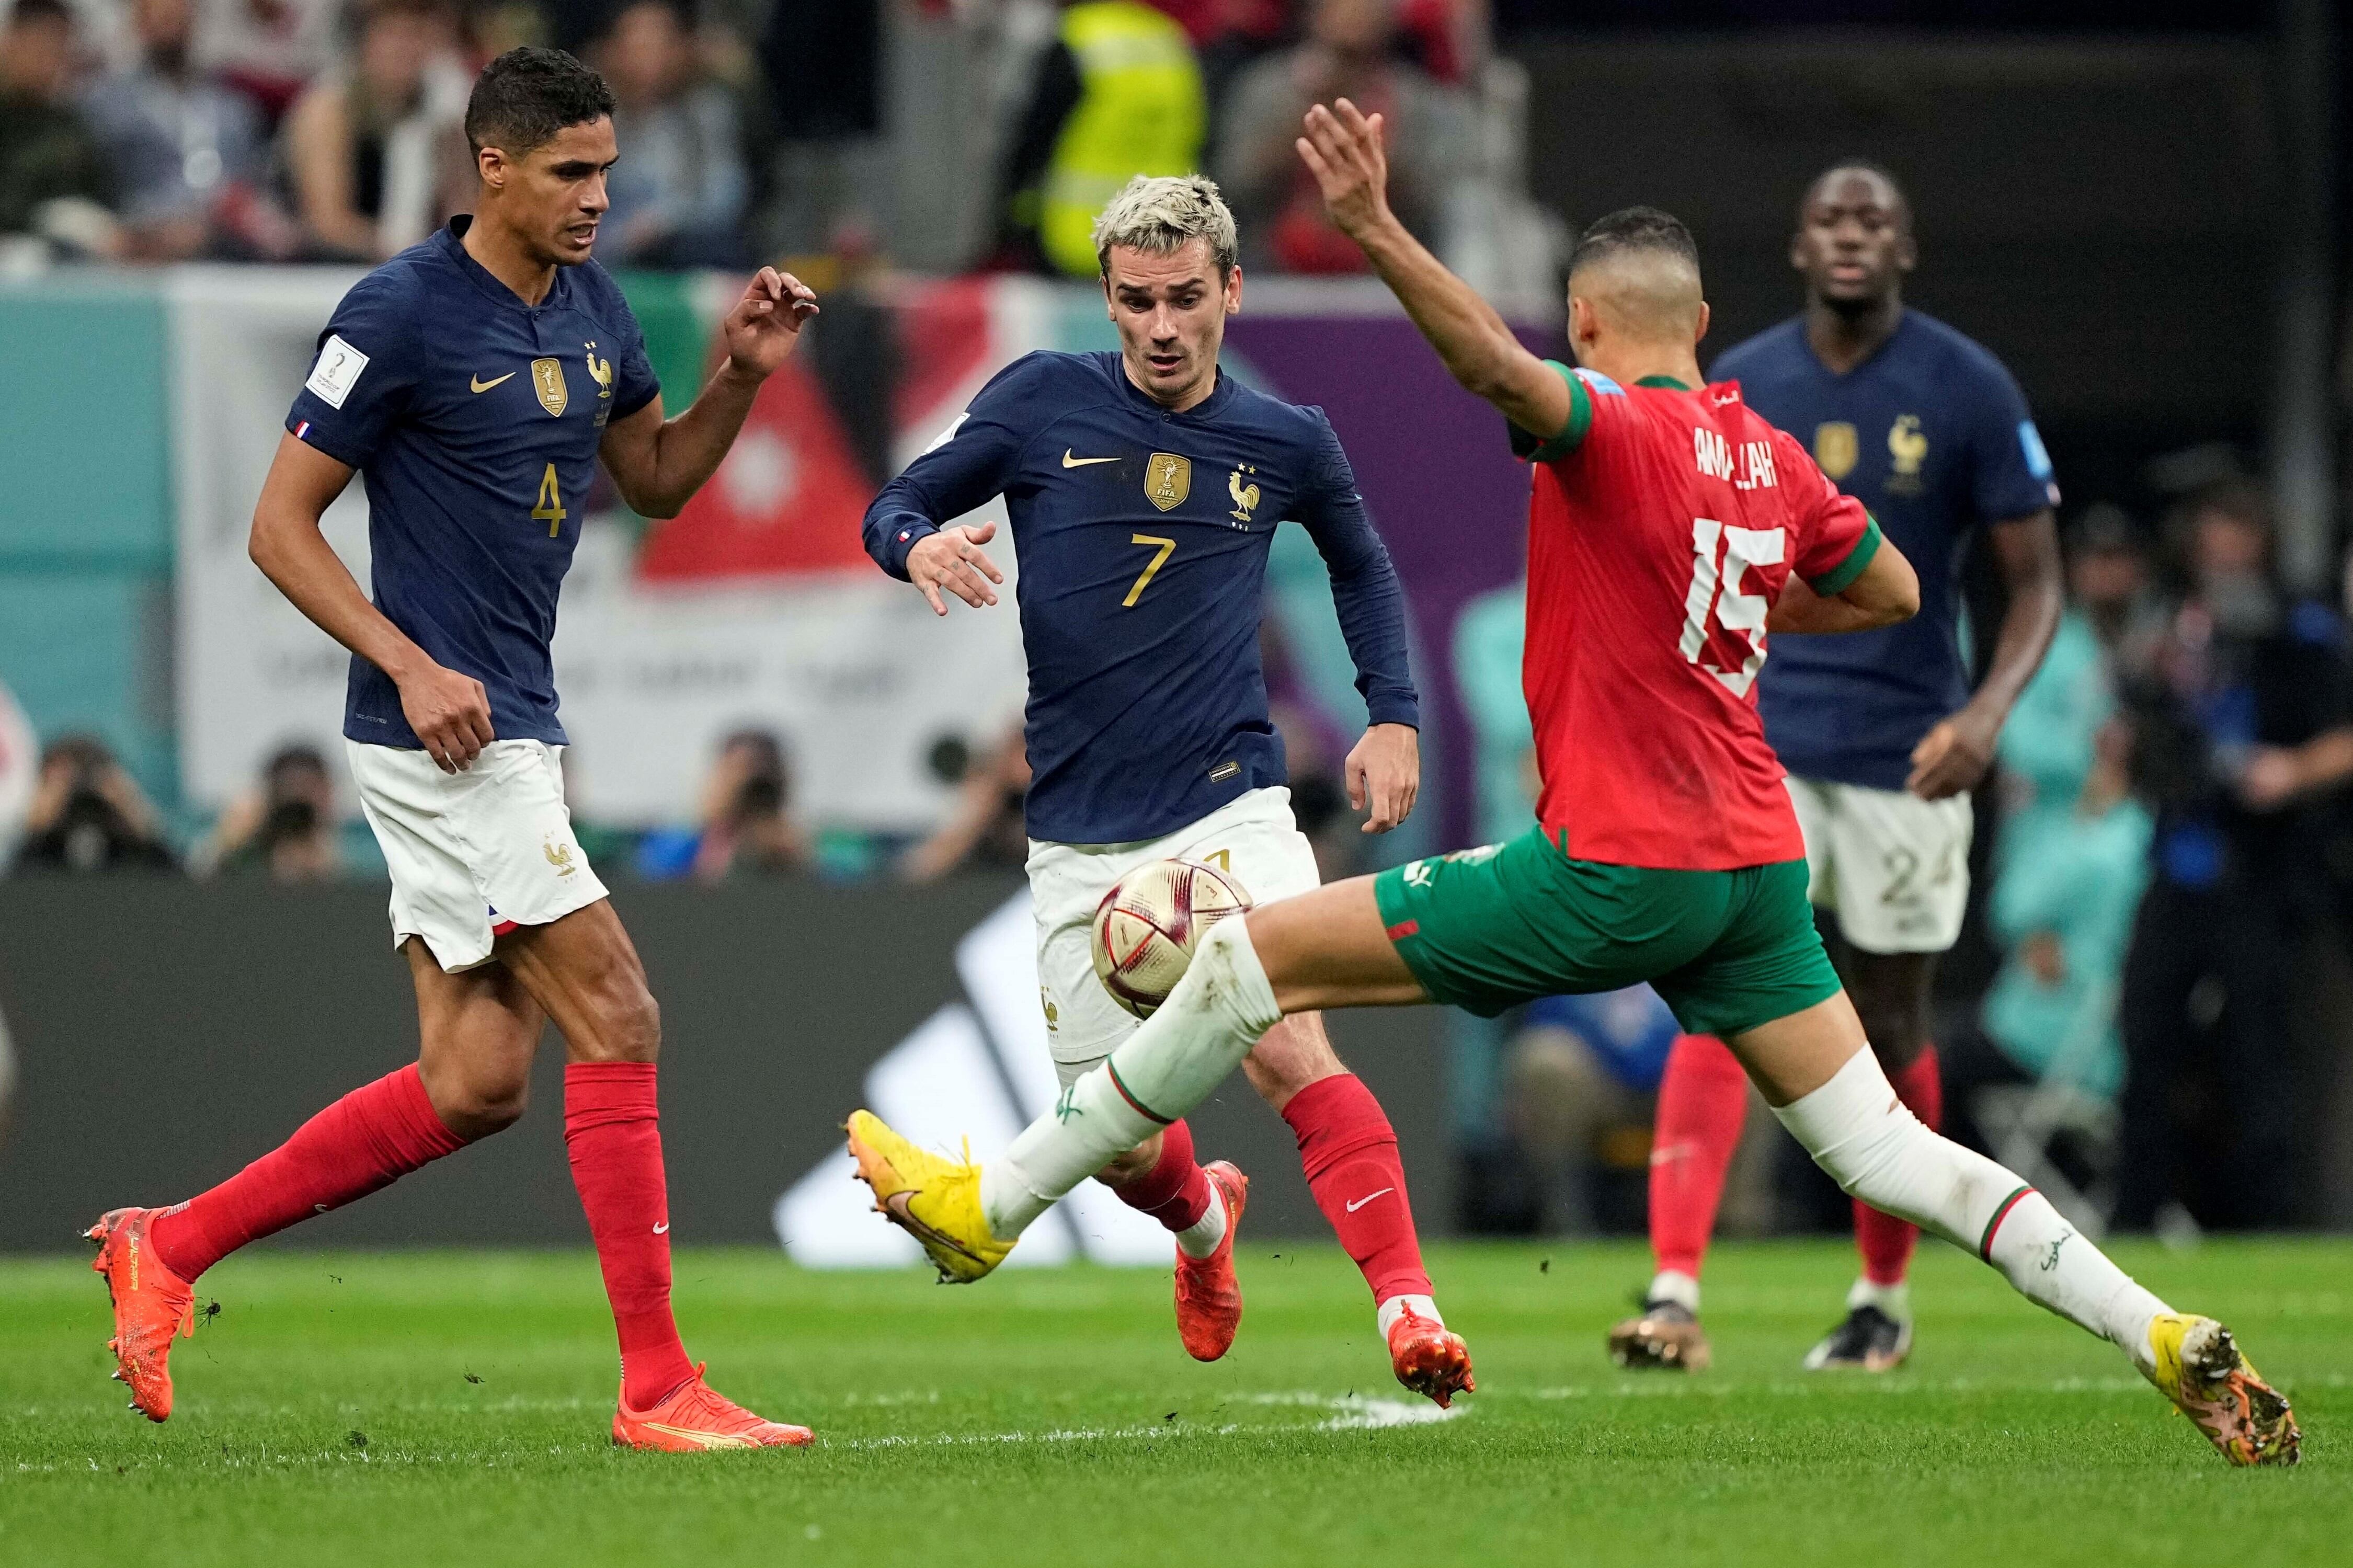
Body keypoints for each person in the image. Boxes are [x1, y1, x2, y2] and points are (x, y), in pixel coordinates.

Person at [846, 100, 2300, 1468]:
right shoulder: (1765, 452)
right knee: (1893, 1152)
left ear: (1590, 327)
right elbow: (1898, 588)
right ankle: (2156, 1326)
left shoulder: (1615, 429)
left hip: (1609, 868)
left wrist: (1370, 225)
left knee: (1236, 958)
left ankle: (993, 1204)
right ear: (1709, 322)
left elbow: (1488, 365)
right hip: (1752, 872)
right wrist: (1733, 611)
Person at [87, 45, 823, 1451]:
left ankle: (168, 1245)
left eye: (606, 169)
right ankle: (660, 1383)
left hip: (511, 717)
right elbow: (277, 526)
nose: (598, 195)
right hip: (439, 725)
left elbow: (655, 483)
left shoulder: (597, 305)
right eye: (570, 172)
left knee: (475, 1079)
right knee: (620, 1008)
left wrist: (734, 377)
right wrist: (410, 663)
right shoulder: (400, 311)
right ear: (492, 165)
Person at [853, 173, 1460, 1400]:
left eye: (1186, 297)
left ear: (1229, 291)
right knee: (1121, 1144)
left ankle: (1409, 1312)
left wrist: (1390, 716)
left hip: (1227, 806)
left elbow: (1363, 570)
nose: (1164, 324)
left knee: (1288, 1046)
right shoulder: (1037, 402)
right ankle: (1202, 1228)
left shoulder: (1284, 439)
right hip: (1076, 833)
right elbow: (899, 496)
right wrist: (913, 541)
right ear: (1109, 301)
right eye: (1138, 301)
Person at [1616, 162, 2066, 1376]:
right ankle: (1669, 1291)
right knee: (1716, 988)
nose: (1850, 234)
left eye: (1873, 217)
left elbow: (2035, 584)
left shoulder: (1965, 385)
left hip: (1909, 754)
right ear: (1798, 245)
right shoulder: (1742, 381)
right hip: (1754, 741)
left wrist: (1983, 714)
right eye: (1828, 217)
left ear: (1903, 246)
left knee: (1885, 1013)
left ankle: (1878, 1297)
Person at [2113, 483, 2353, 1231]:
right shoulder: (2174, 623)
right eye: (2215, 529)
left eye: (2242, 530)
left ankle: (2268, 1221)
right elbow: (2135, 729)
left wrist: (2289, 772)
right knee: (2145, 1040)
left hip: (2262, 873)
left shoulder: (2301, 626)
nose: (2227, 547)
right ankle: (2134, 1215)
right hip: (2176, 864)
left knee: (2260, 1057)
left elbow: (2344, 736)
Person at [1215, 0, 1466, 274]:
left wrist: (1371, 152)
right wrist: (1306, 123)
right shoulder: (1267, 89)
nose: (1353, 15)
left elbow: (1435, 197)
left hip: (1384, 267)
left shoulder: (1417, 101)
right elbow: (1234, 183)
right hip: (1272, 261)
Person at [990, 1, 1205, 277]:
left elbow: (1036, 135)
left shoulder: (1078, 36)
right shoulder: (1166, 38)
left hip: (1075, 235)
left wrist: (1012, 213)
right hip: (1162, 240)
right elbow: (1197, 133)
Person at [81, 0, 291, 261]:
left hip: (232, 245)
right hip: (146, 246)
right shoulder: (106, 105)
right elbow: (98, 194)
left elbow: (256, 183)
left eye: (179, 16)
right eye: (162, 18)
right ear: (139, 23)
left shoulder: (232, 105)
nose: (172, 28)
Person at [280, 0, 469, 260]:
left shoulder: (441, 108)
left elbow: (463, 212)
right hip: (314, 267)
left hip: (406, 262)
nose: (405, 50)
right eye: (393, 37)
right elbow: (327, 224)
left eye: (416, 36)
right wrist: (409, 249)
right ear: (365, 44)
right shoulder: (329, 109)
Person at [594, 0, 746, 267]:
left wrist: (660, 222)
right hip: (607, 256)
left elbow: (725, 197)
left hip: (685, 257)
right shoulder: (592, 116)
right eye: (634, 45)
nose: (643, 59)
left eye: (654, 45)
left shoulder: (705, 113)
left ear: (680, 49)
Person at [0, 0, 117, 254]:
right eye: (40, 45)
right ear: (11, 42)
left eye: (59, 48)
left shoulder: (71, 128)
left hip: (67, 263)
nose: (49, 60)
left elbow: (99, 199)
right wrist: (45, 219)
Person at [12, 734, 179, 874]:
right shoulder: (35, 855)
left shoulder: (140, 854)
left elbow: (182, 890)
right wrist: (33, 830)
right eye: (57, 782)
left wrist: (139, 820)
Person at [193, 741, 344, 880]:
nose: (298, 813)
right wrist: (224, 846)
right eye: (290, 790)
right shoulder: (244, 859)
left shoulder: (343, 854)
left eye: (311, 790)